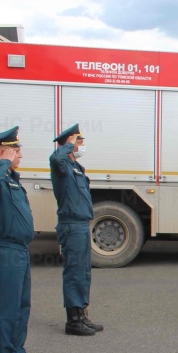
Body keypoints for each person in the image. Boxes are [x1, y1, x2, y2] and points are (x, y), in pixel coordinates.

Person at [0, 127, 45, 353]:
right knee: (8, 305)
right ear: (4, 151)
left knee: (21, 304)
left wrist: (7, 165)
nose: (20, 156)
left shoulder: (10, 179)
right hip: (3, 249)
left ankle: (18, 351)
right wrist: (2, 162)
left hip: (18, 249)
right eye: (16, 151)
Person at [50, 124, 103, 336]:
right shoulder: (61, 166)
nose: (82, 146)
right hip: (71, 225)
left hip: (81, 224)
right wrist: (68, 145)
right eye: (78, 142)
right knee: (74, 273)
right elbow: (55, 158)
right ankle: (72, 321)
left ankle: (81, 315)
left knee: (83, 272)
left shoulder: (76, 168)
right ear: (69, 145)